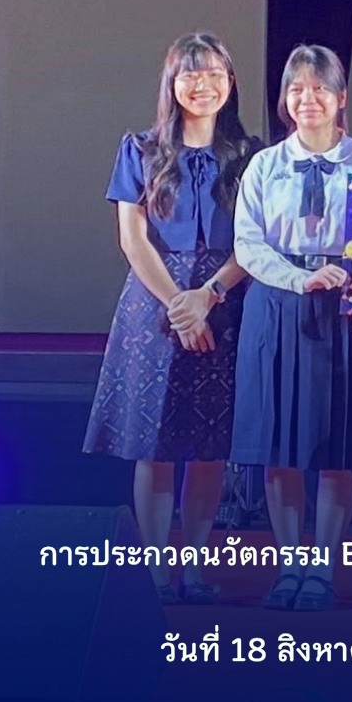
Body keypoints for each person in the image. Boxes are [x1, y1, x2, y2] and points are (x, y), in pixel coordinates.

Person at [84, 32, 256, 605]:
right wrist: (180, 305)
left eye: (213, 73)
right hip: (154, 303)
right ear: (172, 83)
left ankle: (197, 568)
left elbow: (254, 241)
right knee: (153, 445)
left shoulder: (249, 154)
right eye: (190, 73)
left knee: (210, 446)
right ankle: (158, 571)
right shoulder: (140, 148)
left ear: (230, 83)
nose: (202, 84)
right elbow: (132, 239)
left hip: (225, 299)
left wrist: (208, 295)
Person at [231, 45, 352, 612]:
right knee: (279, 445)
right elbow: (248, 243)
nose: (307, 99)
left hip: (344, 307)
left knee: (337, 444)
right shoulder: (265, 165)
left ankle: (323, 567)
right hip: (276, 306)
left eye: (319, 88)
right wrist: (297, 279)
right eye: (296, 89)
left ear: (341, 97)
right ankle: (290, 564)